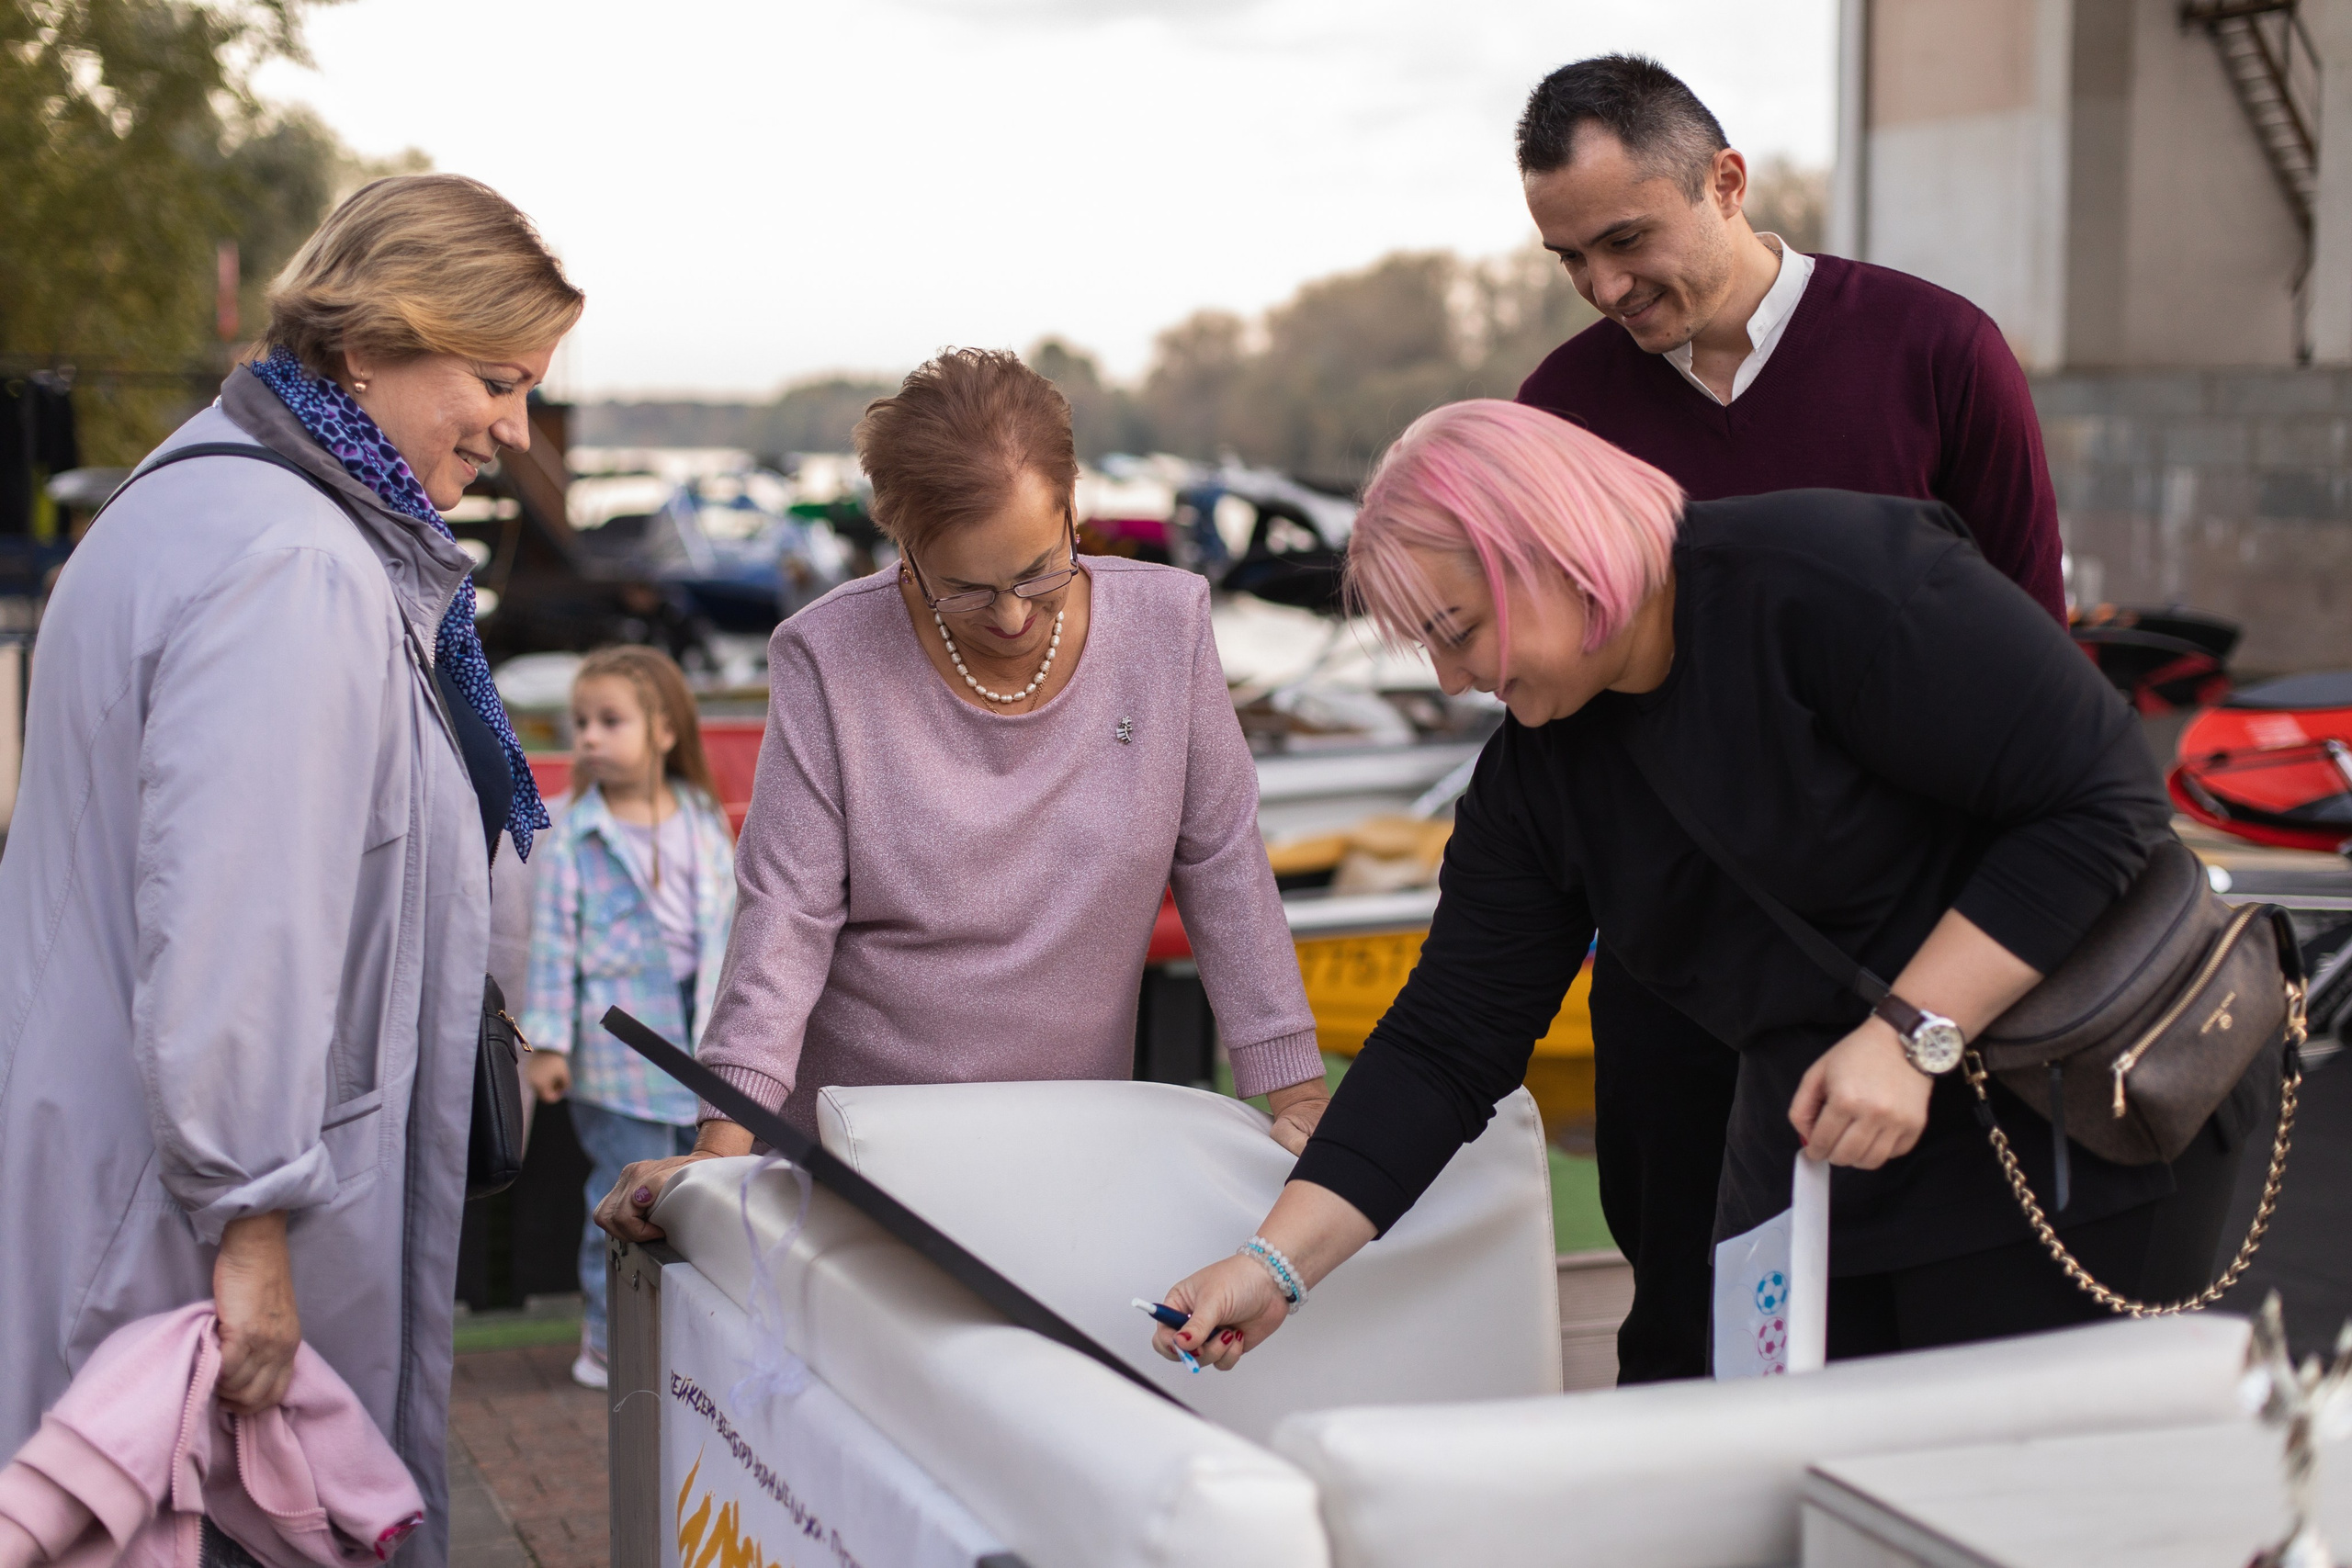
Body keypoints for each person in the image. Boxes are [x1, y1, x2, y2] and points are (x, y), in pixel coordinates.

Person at [1150, 400, 2251, 1373]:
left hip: (2065, 1129)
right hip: (1825, 1181)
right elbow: (1447, 1041)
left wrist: (1911, 1030)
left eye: (1458, 633)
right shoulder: (1535, 778)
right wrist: (1272, 1268)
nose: (1454, 679)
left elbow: (2101, 801)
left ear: (1548, 549)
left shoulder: (1830, 579)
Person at [0, 174, 582, 1566]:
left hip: (115, 1170)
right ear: (374, 344)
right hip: (205, 1232)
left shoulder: (185, 496)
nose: (516, 426)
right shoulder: (296, 565)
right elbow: (237, 930)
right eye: (496, 379)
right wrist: (251, 1217)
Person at [1509, 54, 2070, 1380]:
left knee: (1933, 1356)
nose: (1602, 286)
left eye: (1626, 239)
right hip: (1676, 984)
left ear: (1725, 180)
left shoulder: (1938, 351)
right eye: (1568, 258)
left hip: (1921, 975)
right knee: (1684, 1344)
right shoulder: (1559, 413)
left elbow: (2040, 694)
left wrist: (1952, 1000)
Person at [595, 349, 1328, 1243]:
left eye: (1037, 571)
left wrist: (1296, 1095)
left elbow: (1225, 871)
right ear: (904, 549)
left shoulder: (1167, 629)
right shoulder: (827, 657)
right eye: (967, 589)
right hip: (858, 1159)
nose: (1014, 615)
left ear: (1071, 506)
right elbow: (784, 915)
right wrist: (722, 1142)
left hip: (1068, 1145)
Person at [523, 647, 737, 1391]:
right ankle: (608, 1338)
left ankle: (682, 1336)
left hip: (699, 1048)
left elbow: (729, 925)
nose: (587, 735)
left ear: (665, 729)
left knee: (696, 1200)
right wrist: (547, 1041)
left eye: (609, 720)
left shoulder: (703, 819)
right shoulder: (573, 835)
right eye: (580, 721)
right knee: (621, 1200)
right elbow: (554, 945)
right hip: (618, 1059)